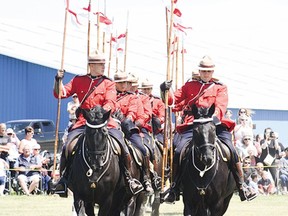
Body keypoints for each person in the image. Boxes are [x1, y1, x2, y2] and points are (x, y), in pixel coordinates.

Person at [161, 55, 256, 203]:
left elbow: (220, 107)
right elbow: (172, 101)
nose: (206, 74)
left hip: (215, 124)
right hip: (193, 124)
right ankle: (174, 187)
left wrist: (211, 120)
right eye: (203, 71)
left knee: (231, 149)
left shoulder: (220, 87)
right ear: (199, 71)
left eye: (209, 71)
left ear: (212, 72)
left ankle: (242, 185)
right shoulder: (189, 86)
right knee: (179, 150)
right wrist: (165, 90)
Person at [52, 51, 143, 197]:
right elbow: (60, 93)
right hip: (83, 122)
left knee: (122, 145)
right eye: (101, 64)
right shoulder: (78, 80)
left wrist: (98, 115)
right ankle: (63, 179)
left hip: (105, 123)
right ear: (92, 65)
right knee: (68, 146)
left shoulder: (108, 83)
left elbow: (110, 103)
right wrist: (58, 80)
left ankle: (128, 178)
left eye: (104, 64)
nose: (103, 67)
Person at [114, 71, 153, 194]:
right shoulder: (110, 96)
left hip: (129, 130)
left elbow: (136, 113)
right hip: (112, 129)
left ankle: (147, 178)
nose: (124, 85)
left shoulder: (133, 97)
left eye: (126, 82)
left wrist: (128, 120)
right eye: (121, 83)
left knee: (143, 149)